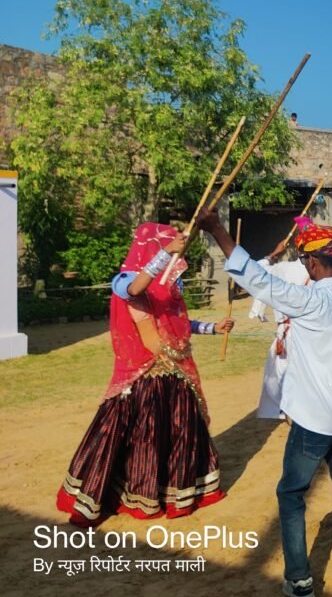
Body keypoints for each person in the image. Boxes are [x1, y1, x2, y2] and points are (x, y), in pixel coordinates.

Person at [197, 209, 332, 597]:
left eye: (305, 259)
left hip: (312, 424)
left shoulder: (308, 301)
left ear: (312, 262)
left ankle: (299, 581)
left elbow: (253, 277)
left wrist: (216, 229)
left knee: (292, 496)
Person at [56, 223, 233, 526]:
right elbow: (135, 289)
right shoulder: (125, 280)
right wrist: (165, 254)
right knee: (142, 438)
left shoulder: (168, 287)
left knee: (178, 435)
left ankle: (173, 494)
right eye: (166, 248)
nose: (175, 258)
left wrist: (212, 328)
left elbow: (178, 322)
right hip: (141, 379)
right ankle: (128, 495)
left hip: (174, 375)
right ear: (151, 247)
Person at [250, 229, 313, 419]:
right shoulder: (323, 272)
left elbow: (256, 271)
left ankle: (287, 409)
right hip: (310, 331)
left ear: (297, 249)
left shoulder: (283, 269)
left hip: (288, 330)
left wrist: (274, 254)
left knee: (281, 372)